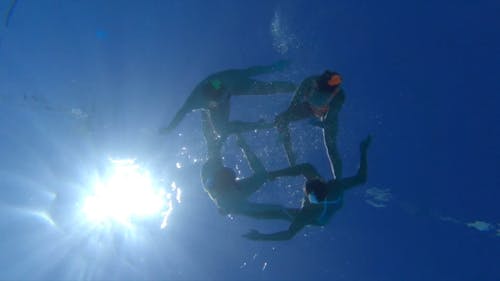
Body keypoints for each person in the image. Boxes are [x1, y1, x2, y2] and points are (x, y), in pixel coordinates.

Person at [242, 135, 371, 241]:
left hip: (319, 217)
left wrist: (260, 237)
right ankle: (272, 175)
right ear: (321, 182)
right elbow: (361, 178)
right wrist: (363, 150)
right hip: (327, 196)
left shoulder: (308, 213)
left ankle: (243, 211)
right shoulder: (333, 186)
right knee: (307, 168)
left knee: (279, 212)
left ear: (308, 198)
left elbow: (288, 235)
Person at [160, 61, 297, 142]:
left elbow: (250, 72)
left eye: (223, 96)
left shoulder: (227, 79)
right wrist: (170, 128)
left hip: (231, 85)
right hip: (217, 97)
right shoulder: (195, 101)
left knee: (267, 89)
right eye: (218, 100)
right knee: (221, 130)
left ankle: (295, 87)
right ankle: (259, 125)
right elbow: (181, 112)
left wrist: (273, 67)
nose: (224, 100)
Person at [201, 132, 297, 221]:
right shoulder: (231, 202)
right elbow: (257, 209)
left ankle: (240, 145)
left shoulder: (217, 180)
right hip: (230, 195)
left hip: (222, 185)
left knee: (261, 176)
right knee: (262, 176)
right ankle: (242, 145)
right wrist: (279, 208)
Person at [274, 70, 345, 179]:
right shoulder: (309, 82)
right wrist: (282, 130)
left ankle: (338, 181)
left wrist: (318, 124)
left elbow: (328, 123)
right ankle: (291, 159)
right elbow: (293, 106)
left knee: (331, 146)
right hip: (309, 108)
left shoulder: (339, 97)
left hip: (326, 114)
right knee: (281, 119)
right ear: (315, 86)